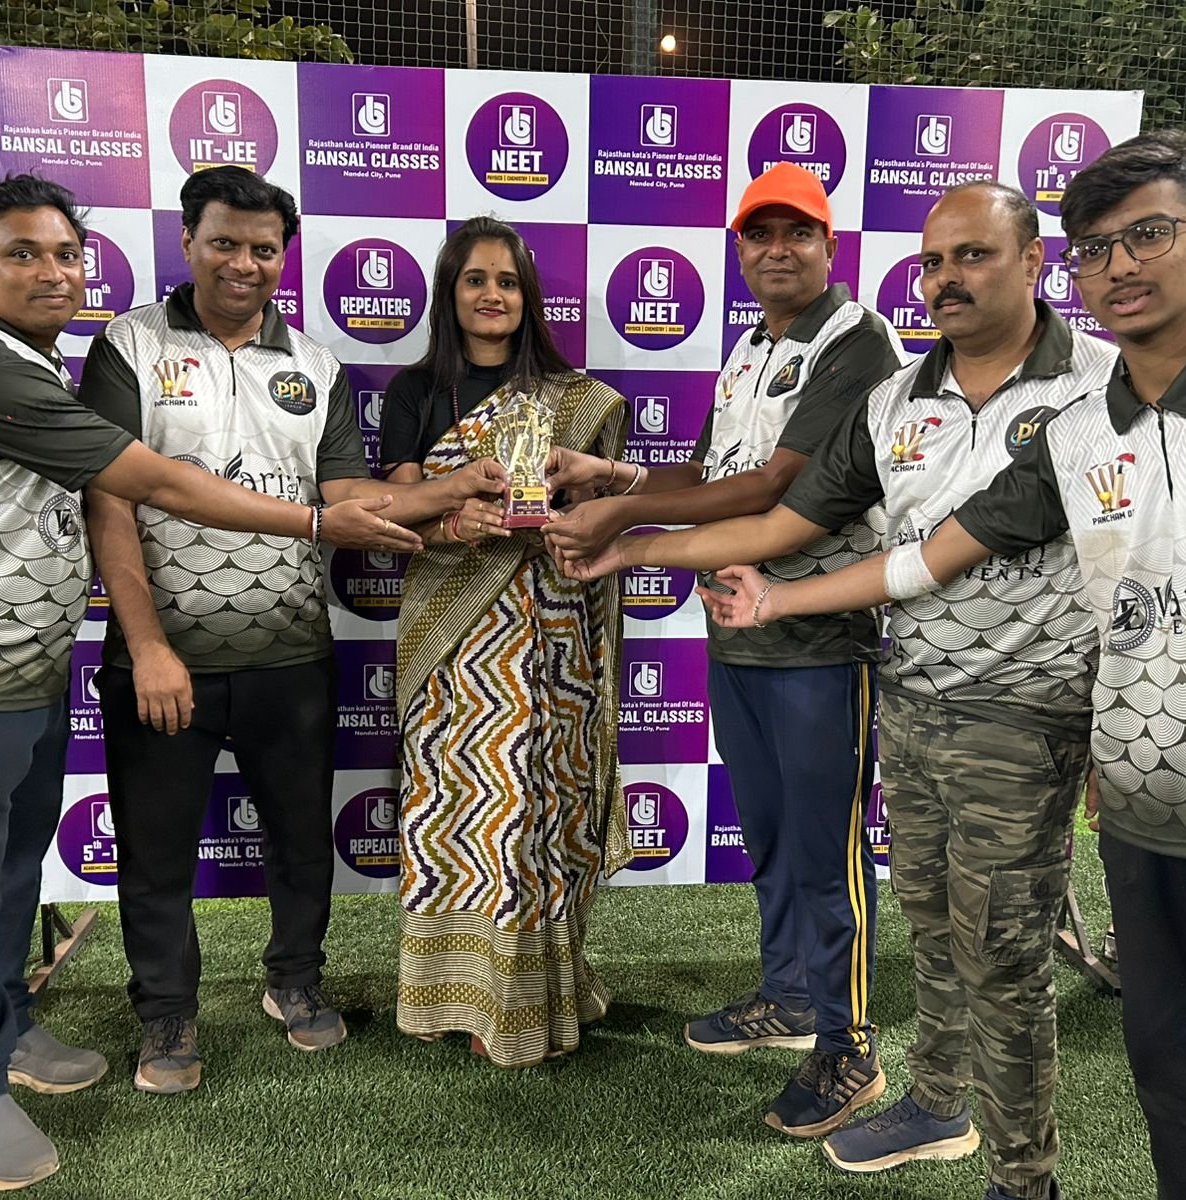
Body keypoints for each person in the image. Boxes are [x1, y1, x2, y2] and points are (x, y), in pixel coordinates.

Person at [696, 133, 1186, 1200]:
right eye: (1099, 249)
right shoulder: (1064, 428)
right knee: (1164, 1080)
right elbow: (927, 557)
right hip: (1111, 801)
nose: (1120, 266)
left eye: (1148, 237)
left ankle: (1019, 1177)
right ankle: (945, 1107)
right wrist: (765, 589)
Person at [0, 175, 449, 1193]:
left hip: (30, 665)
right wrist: (311, 526)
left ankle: (11, 1032)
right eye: (22, 254)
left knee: (9, 874)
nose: (52, 273)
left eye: (64, 254)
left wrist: (451, 489)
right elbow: (149, 485)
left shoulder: (38, 357)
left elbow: (336, 483)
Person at [569, 181, 1113, 1199]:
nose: (947, 277)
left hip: (971, 689)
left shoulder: (1084, 383)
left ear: (1035, 263)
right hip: (879, 678)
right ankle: (878, 1062)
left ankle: (884, 1071)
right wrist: (626, 518)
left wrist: (635, 530)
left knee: (968, 935)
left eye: (974, 255)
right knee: (888, 903)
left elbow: (812, 510)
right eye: (935, 260)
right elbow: (759, 504)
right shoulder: (847, 381)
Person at [77, 169, 503, 1093]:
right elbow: (109, 499)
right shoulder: (129, 344)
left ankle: (295, 981)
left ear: (284, 257)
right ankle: (166, 1015)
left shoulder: (314, 364)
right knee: (156, 853)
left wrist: (450, 490)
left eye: (264, 249)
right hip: (167, 659)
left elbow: (346, 493)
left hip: (292, 652)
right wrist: (144, 645)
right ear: (188, 243)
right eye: (225, 243)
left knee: (303, 841)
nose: (244, 263)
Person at [546, 164, 905, 1134]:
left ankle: (849, 1046)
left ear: (829, 246)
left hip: (821, 636)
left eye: (798, 232)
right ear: (739, 250)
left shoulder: (856, 341)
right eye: (760, 233)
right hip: (737, 635)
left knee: (827, 853)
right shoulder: (750, 348)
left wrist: (623, 521)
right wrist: (613, 475)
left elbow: (773, 488)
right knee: (774, 840)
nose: (777, 249)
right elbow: (714, 472)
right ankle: (788, 997)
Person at [378, 216, 630, 1067]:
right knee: (459, 818)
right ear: (450, 294)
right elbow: (395, 512)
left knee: (539, 814)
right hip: (454, 641)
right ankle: (457, 997)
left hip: (553, 634)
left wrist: (565, 510)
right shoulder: (415, 392)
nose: (493, 295)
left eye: (509, 281)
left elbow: (603, 514)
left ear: (529, 298)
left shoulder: (573, 398)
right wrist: (455, 520)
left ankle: (539, 1001)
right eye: (476, 279)